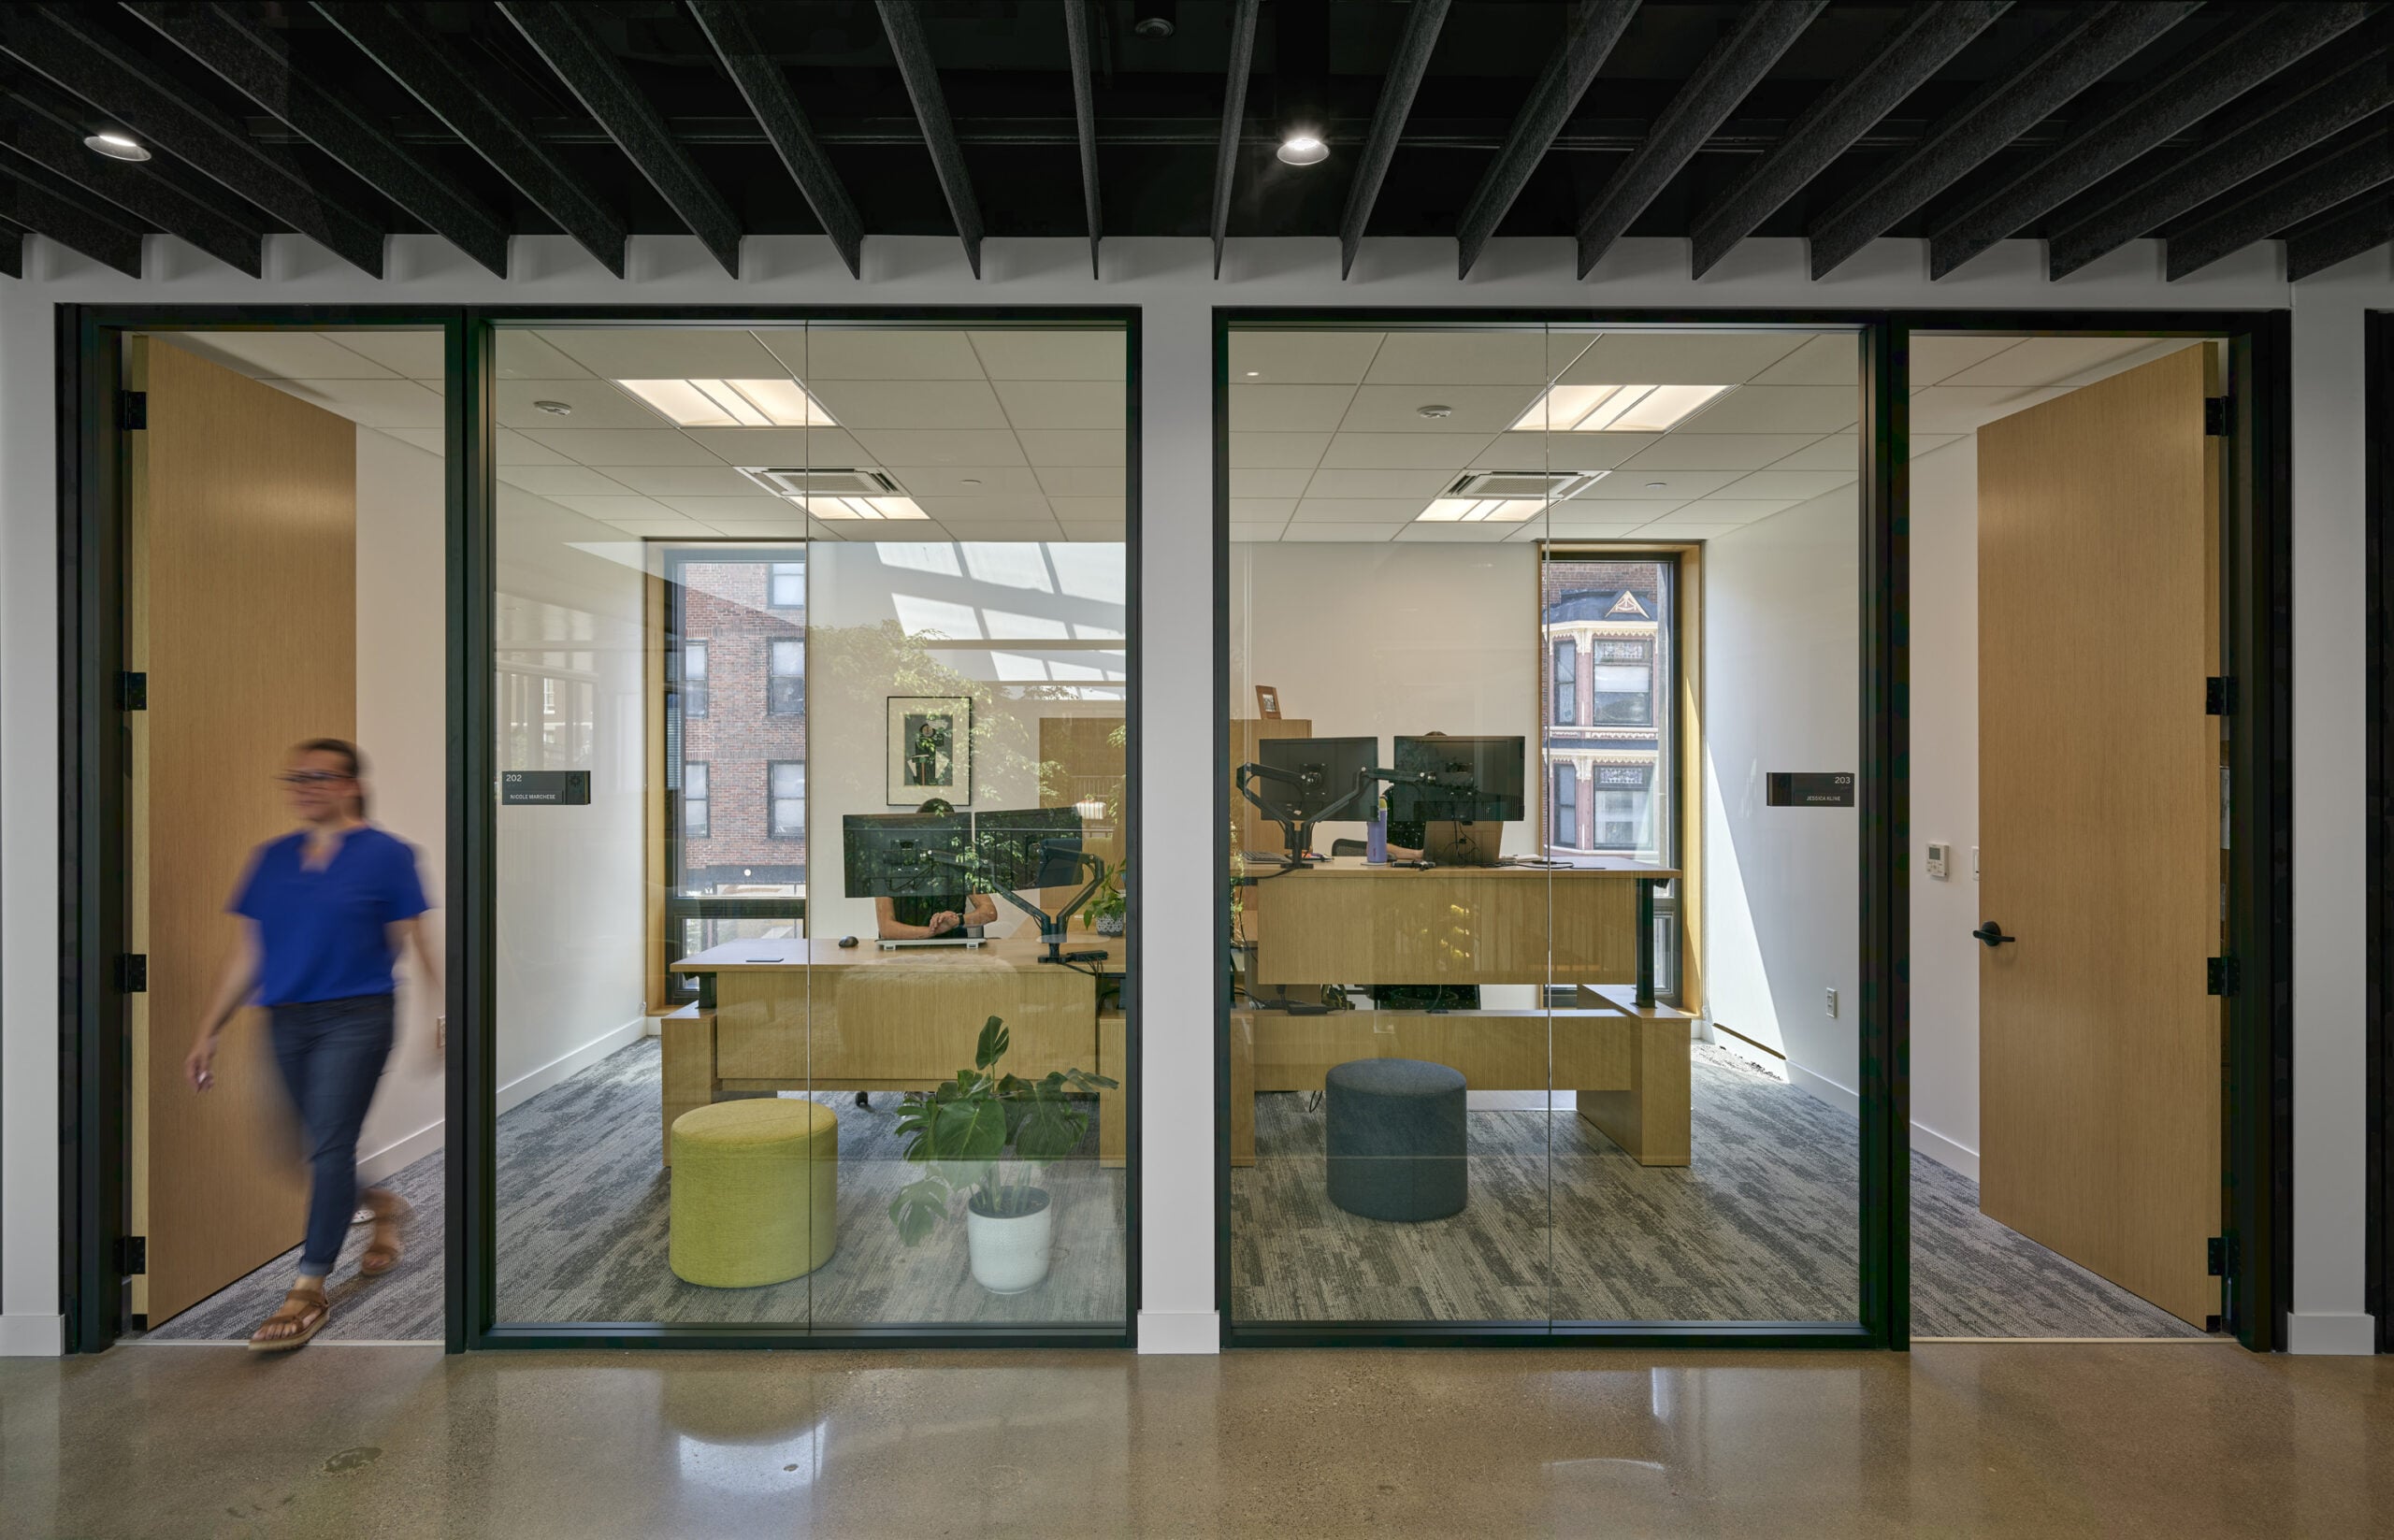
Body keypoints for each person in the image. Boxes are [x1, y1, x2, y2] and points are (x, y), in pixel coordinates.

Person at [185, 739, 437, 1351]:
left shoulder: (388, 855)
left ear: (350, 785)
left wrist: (445, 1010)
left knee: (330, 1145)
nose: (304, 786)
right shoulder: (271, 858)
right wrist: (208, 1029)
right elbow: (250, 950)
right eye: (295, 777)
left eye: (318, 777)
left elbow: (415, 938)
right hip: (285, 1018)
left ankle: (308, 1286)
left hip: (359, 1015)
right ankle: (382, 1205)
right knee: (297, 1149)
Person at [860, 798, 997, 1111]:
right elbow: (887, 926)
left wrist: (958, 920)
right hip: (904, 955)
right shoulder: (890, 865)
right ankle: (915, 1082)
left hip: (954, 955)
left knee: (956, 1013)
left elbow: (989, 911)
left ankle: (949, 1077)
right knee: (911, 1015)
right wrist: (930, 932)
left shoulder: (959, 864)